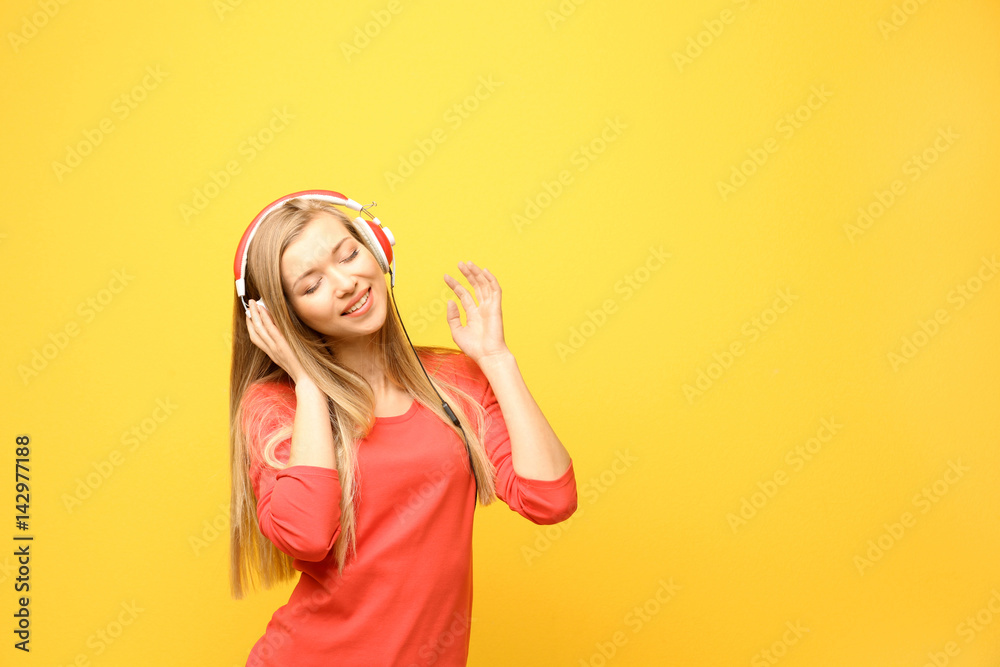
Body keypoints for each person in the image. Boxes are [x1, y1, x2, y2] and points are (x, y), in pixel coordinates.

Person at [227, 192, 578, 666]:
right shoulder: (275, 406)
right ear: (285, 317)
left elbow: (550, 499)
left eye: (349, 254)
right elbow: (307, 536)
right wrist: (309, 383)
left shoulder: (455, 382)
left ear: (377, 248)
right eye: (311, 286)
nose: (346, 283)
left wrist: (497, 360)